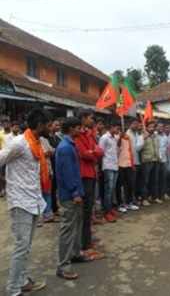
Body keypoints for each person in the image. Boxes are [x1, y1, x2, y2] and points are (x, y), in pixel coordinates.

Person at [1, 109, 51, 296]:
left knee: (26, 246)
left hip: (33, 199)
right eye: (48, 124)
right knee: (21, 246)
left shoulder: (36, 143)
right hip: (20, 201)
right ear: (39, 125)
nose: (50, 127)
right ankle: (13, 289)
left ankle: (22, 280)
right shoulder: (19, 143)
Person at [56, 117, 91, 280]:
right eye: (78, 128)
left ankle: (75, 254)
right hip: (70, 195)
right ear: (71, 129)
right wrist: (75, 193)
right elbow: (67, 174)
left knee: (77, 225)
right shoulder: (65, 148)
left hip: (76, 192)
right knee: (68, 230)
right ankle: (63, 266)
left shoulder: (69, 145)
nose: (80, 131)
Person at [74, 109, 105, 258]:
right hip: (83, 175)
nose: (93, 121)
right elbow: (84, 154)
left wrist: (93, 152)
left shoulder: (88, 134)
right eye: (91, 118)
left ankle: (87, 240)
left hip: (91, 173)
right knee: (84, 212)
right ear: (83, 118)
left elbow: (98, 151)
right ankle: (84, 245)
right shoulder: (77, 135)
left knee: (88, 210)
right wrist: (93, 152)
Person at [99, 121, 120, 222]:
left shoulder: (115, 138)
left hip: (115, 166)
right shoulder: (104, 138)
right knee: (108, 190)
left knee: (112, 190)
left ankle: (110, 208)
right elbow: (100, 152)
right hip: (107, 166)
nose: (118, 131)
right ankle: (106, 212)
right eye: (117, 128)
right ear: (111, 127)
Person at [116, 128, 140, 212]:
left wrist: (132, 163)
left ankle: (129, 202)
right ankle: (120, 204)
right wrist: (120, 137)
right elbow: (117, 147)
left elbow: (130, 151)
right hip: (120, 164)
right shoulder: (116, 137)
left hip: (129, 164)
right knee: (119, 186)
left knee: (130, 184)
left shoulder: (128, 138)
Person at [141, 121, 161, 206]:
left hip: (155, 160)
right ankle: (144, 199)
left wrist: (159, 158)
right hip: (147, 161)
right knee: (145, 181)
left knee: (155, 180)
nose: (152, 128)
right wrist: (144, 139)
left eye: (153, 127)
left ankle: (154, 197)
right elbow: (138, 148)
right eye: (150, 127)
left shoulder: (156, 136)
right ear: (146, 127)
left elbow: (158, 148)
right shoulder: (142, 136)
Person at [126, 119, 144, 204]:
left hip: (137, 161)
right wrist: (142, 139)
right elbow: (137, 148)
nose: (136, 126)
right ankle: (130, 200)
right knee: (131, 182)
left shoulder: (136, 133)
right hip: (130, 162)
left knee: (137, 182)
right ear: (130, 124)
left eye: (137, 124)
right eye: (134, 124)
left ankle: (135, 199)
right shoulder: (127, 134)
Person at [48, 119, 63, 216]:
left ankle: (55, 207)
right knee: (51, 188)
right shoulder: (46, 138)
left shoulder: (57, 137)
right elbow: (49, 151)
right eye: (56, 125)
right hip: (50, 165)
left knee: (55, 187)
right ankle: (51, 209)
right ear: (50, 125)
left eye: (59, 125)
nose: (58, 127)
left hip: (57, 165)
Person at [157, 122, 170, 201]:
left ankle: (163, 194)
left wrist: (168, 159)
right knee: (156, 179)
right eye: (159, 126)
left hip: (164, 160)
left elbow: (167, 148)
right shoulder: (155, 135)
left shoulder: (165, 136)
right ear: (157, 127)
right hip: (156, 160)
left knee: (163, 178)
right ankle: (156, 195)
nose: (160, 128)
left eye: (162, 126)